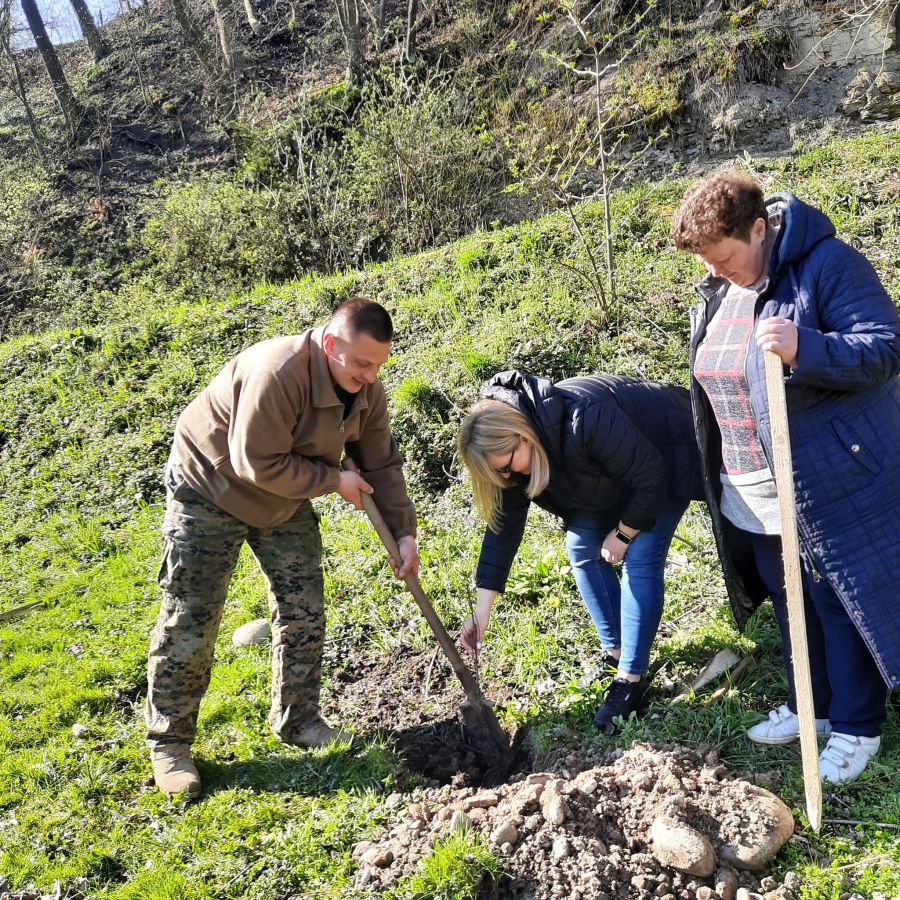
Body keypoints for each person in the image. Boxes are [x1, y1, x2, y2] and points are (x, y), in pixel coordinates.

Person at [671, 171, 900, 783]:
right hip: (751, 487)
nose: (718, 273)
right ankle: (813, 707)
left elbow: (884, 347)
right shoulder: (722, 289)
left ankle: (857, 727)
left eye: (724, 258)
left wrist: (807, 347)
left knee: (833, 600)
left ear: (758, 228)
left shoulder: (826, 265)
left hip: (822, 476)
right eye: (707, 264)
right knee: (786, 599)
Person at [145, 298, 419, 798]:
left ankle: (300, 721)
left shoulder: (365, 389)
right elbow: (254, 461)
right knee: (193, 616)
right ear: (331, 344)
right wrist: (334, 479)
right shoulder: (278, 372)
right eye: (362, 363)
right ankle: (170, 745)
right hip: (212, 487)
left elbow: (380, 463)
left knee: (305, 608)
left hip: (285, 498)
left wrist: (404, 532)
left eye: (379, 364)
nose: (371, 376)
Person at [456, 370, 704, 732]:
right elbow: (503, 531)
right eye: (500, 474)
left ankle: (630, 681)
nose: (508, 477)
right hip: (613, 476)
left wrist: (622, 534)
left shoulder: (583, 417)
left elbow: (651, 477)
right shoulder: (511, 459)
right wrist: (481, 613)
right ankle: (617, 651)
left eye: (508, 467)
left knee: (640, 556)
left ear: (522, 436)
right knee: (581, 546)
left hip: (667, 455)